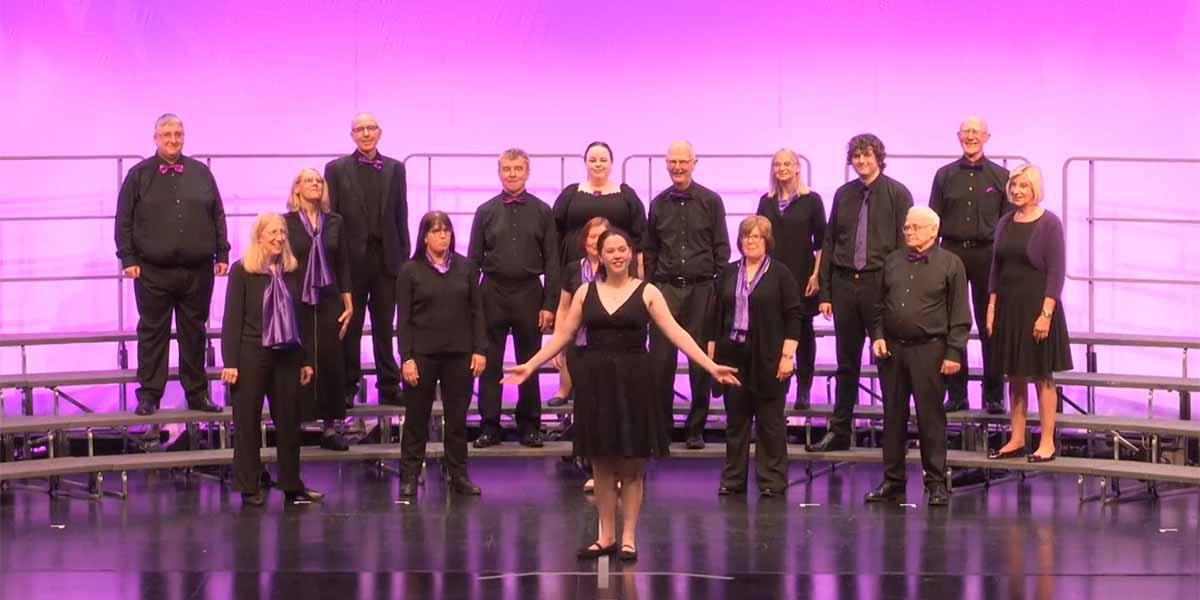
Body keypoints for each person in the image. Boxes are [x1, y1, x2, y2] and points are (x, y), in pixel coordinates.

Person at [502, 228, 740, 563]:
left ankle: (628, 537)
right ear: (599, 255)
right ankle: (606, 535)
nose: (616, 255)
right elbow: (564, 335)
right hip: (596, 383)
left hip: (634, 383)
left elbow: (677, 332)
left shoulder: (648, 292)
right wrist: (530, 365)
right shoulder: (585, 292)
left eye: (622, 249)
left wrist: (710, 365)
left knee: (631, 465)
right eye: (610, 250)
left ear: (630, 254)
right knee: (600, 464)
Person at [115, 113, 229, 416]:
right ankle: (150, 395)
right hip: (152, 270)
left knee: (195, 332)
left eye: (178, 133)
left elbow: (217, 213)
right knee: (153, 333)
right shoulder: (138, 175)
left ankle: (197, 394)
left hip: (198, 270)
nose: (173, 139)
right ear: (155, 138)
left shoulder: (201, 173)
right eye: (166, 134)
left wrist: (223, 253)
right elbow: (123, 219)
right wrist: (127, 258)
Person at [810, 134, 913, 452]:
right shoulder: (843, 194)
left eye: (867, 155)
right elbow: (829, 242)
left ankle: (895, 433)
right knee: (846, 363)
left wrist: (898, 291)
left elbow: (905, 245)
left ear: (878, 157)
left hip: (880, 286)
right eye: (856, 156)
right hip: (844, 285)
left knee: (889, 362)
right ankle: (840, 430)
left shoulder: (897, 193)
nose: (862, 161)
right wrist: (825, 292)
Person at [865, 207, 971, 506]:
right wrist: (878, 335)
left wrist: (953, 352)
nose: (908, 231)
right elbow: (878, 307)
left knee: (931, 419)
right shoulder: (892, 261)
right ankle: (893, 481)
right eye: (906, 227)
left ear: (932, 231)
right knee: (893, 417)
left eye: (914, 227)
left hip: (931, 349)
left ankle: (936, 482)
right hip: (893, 351)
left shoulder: (951, 264)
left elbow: (960, 313)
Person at [220, 213, 323, 506]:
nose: (279, 237)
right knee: (247, 421)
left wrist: (305, 359)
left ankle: (292, 484)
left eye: (282, 232)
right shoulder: (242, 271)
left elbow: (300, 318)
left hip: (287, 354)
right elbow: (232, 320)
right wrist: (230, 362)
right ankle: (249, 485)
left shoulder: (291, 270)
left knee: (289, 422)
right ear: (259, 236)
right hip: (251, 353)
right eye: (272, 232)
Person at [469, 148, 560, 449]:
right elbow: (472, 261)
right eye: (507, 168)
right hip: (492, 292)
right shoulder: (485, 211)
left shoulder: (543, 211)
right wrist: (472, 306)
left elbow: (553, 263)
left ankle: (530, 426)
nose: (512, 173)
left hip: (529, 293)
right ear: (499, 172)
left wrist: (549, 304)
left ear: (527, 171)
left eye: (518, 168)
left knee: (529, 362)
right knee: (490, 364)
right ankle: (489, 426)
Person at [707, 216, 803, 497]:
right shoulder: (727, 273)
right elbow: (716, 315)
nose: (750, 241)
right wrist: (712, 350)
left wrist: (788, 355)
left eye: (757, 236)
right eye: (746, 236)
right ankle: (733, 480)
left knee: (770, 423)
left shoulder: (781, 274)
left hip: (770, 356)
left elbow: (794, 316)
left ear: (767, 241)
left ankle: (772, 480)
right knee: (736, 422)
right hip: (732, 356)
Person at [644, 140, 731, 449]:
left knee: (699, 364)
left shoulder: (711, 201)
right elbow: (650, 249)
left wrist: (718, 293)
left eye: (683, 161)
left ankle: (695, 428)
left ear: (694, 162)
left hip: (701, 289)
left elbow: (722, 248)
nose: (677, 167)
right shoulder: (657, 203)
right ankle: (661, 429)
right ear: (667, 164)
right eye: (673, 162)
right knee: (660, 364)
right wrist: (650, 288)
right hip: (664, 289)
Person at [396, 211, 487, 497]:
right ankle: (409, 474)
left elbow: (477, 312)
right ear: (424, 236)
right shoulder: (410, 270)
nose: (443, 235)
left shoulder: (466, 268)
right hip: (422, 355)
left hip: (459, 354)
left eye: (446, 230)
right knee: (416, 418)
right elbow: (405, 319)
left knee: (457, 419)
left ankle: (458, 474)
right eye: (436, 231)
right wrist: (407, 358)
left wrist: (479, 350)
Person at [986, 165, 1072, 463]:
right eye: (1013, 186)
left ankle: (1046, 441)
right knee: (1015, 374)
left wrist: (1046, 313)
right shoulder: (1005, 222)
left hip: (1037, 306)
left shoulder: (1049, 224)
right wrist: (992, 306)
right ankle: (1017, 438)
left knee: (1041, 374)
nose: (1017, 190)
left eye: (1023, 185)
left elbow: (1056, 271)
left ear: (1035, 188)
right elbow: (996, 267)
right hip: (1009, 307)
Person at [324, 113, 409, 406]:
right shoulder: (335, 169)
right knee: (351, 326)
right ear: (352, 135)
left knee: (385, 328)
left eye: (370, 128)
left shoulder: (396, 169)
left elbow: (401, 215)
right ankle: (348, 386)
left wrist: (405, 260)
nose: (365, 133)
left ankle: (389, 386)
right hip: (351, 262)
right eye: (359, 129)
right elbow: (331, 217)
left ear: (380, 132)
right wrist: (333, 261)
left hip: (387, 260)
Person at [929, 116, 1012, 414]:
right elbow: (933, 222)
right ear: (958, 136)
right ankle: (957, 395)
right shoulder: (944, 175)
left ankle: (994, 396)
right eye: (966, 132)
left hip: (988, 256)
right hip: (950, 255)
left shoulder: (1002, 176)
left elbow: (1008, 226)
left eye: (976, 132)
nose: (971, 136)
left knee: (991, 325)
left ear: (987, 136)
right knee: (952, 324)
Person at [284, 168, 353, 451]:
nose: (314, 184)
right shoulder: (286, 222)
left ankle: (329, 427)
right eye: (307, 180)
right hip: (296, 297)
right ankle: (295, 425)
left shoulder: (334, 221)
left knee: (329, 359)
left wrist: (348, 301)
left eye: (318, 181)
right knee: (298, 359)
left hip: (329, 297)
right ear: (297, 188)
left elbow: (343, 263)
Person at [756, 148, 825, 409]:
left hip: (802, 275)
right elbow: (759, 240)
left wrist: (817, 275)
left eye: (787, 163)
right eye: (777, 164)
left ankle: (804, 390)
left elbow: (821, 244)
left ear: (797, 167)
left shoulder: (812, 200)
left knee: (803, 333)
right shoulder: (766, 202)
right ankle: (778, 388)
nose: (782, 168)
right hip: (772, 277)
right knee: (774, 333)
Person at [552, 141, 646, 270]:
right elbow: (555, 231)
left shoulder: (626, 194)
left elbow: (639, 235)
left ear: (611, 163)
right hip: (573, 267)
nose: (598, 164)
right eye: (592, 160)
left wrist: (640, 268)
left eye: (603, 160)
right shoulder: (570, 193)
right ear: (585, 163)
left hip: (618, 268)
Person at [547, 217, 609, 410]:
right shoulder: (572, 268)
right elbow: (564, 307)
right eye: (592, 236)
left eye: (600, 236)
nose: (595, 241)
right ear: (584, 240)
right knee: (569, 342)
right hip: (577, 328)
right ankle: (564, 390)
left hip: (605, 330)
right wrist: (557, 340)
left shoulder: (615, 267)